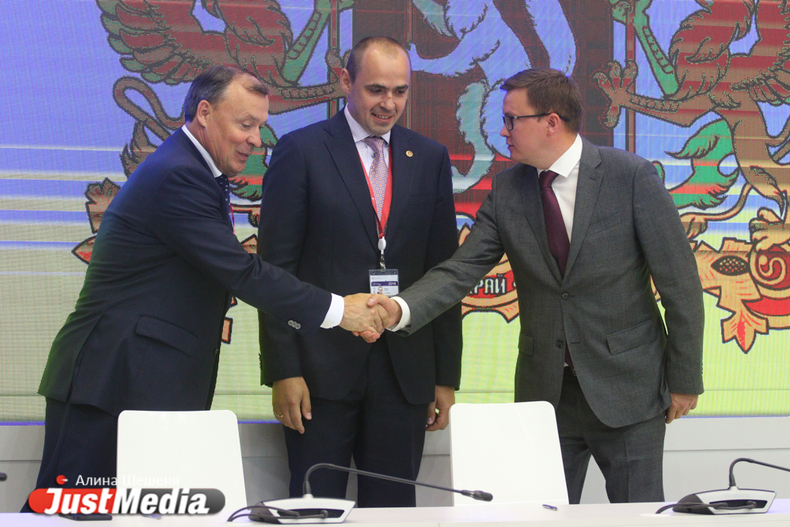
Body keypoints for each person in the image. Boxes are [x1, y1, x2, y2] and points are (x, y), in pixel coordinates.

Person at [24, 65, 389, 508]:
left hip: (139, 387)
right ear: (204, 113)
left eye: (260, 127)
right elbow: (242, 272)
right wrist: (339, 311)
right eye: (245, 124)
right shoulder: (179, 174)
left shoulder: (190, 169)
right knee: (69, 513)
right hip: (111, 387)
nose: (256, 140)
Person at [371, 68, 704, 504]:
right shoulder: (508, 189)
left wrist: (684, 379)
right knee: (540, 514)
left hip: (629, 389)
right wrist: (400, 308)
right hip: (545, 396)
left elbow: (681, 286)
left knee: (639, 514)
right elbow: (460, 270)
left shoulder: (630, 176)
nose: (503, 131)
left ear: (551, 122)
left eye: (512, 120)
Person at [257, 37, 462, 507]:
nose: (389, 103)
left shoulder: (429, 157)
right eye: (375, 90)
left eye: (400, 91)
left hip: (405, 375)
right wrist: (284, 371)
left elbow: (443, 274)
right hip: (317, 374)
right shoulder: (301, 150)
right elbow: (274, 273)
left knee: (394, 509)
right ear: (345, 81)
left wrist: (445, 376)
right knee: (313, 508)